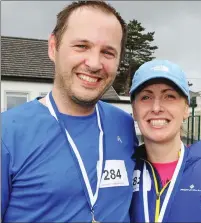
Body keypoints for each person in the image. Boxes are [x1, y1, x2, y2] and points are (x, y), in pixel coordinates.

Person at [1, 1, 138, 222]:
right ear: (53, 47)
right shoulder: (7, 133)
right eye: (82, 46)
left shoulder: (123, 125)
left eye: (108, 52)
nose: (94, 63)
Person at [129, 59, 201, 222]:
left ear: (186, 109)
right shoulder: (121, 174)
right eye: (146, 97)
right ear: (134, 110)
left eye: (169, 96)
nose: (156, 108)